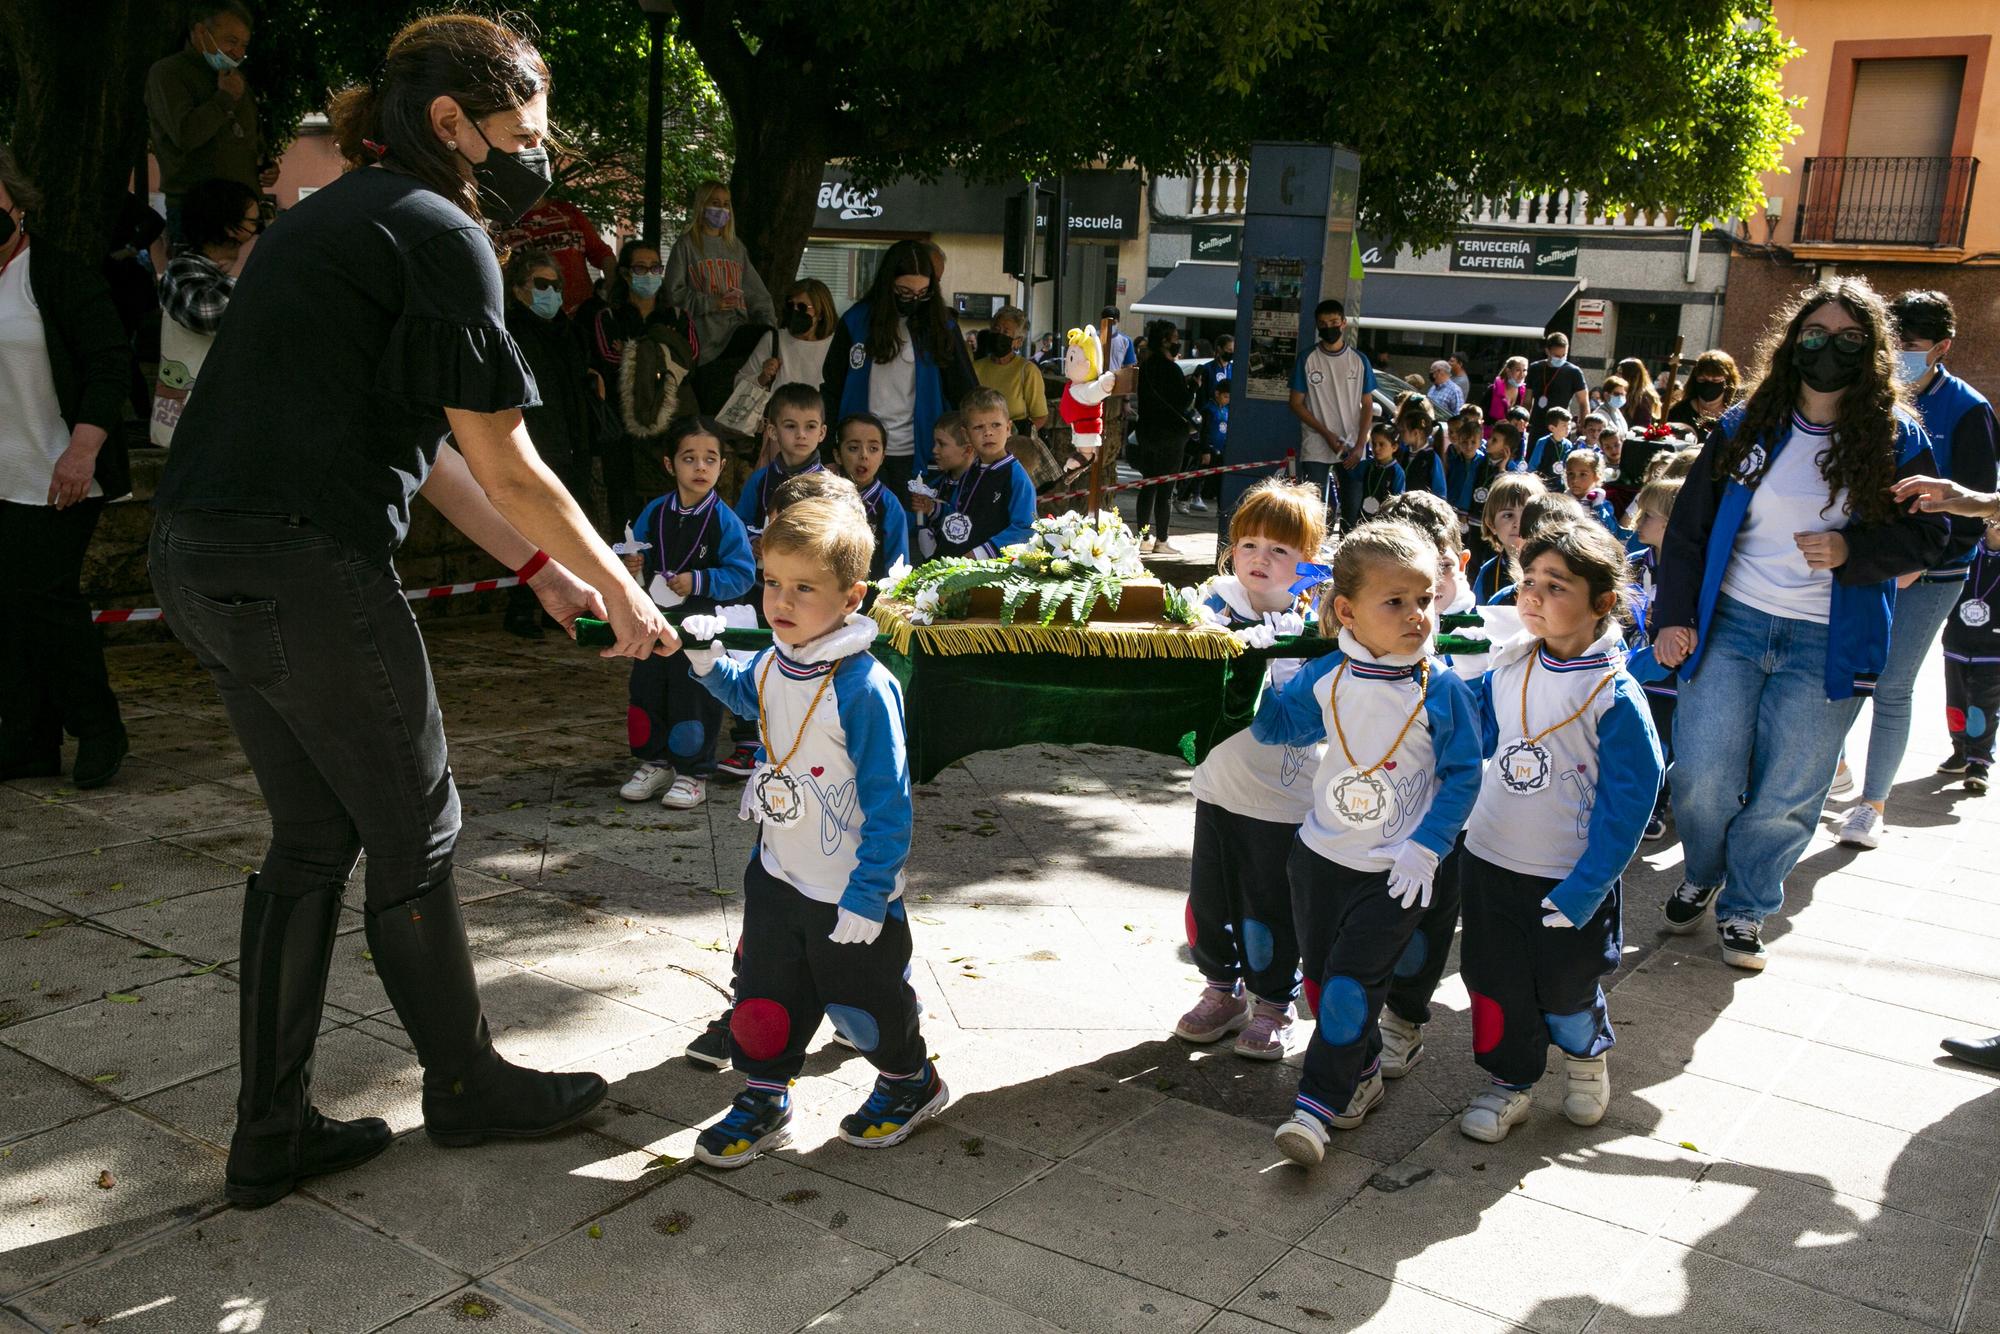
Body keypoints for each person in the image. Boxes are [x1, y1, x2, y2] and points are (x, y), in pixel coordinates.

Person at [146, 14, 677, 1208]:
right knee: (416, 824)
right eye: (524, 130)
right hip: (299, 562)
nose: (536, 153)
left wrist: (543, 574)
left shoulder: (333, 216)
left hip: (198, 554)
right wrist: (628, 587)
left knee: (311, 835)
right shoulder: (442, 230)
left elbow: (429, 447)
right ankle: (466, 1082)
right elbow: (510, 460)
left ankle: (271, 1129)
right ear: (453, 123)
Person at [1651, 278, 1949, 971]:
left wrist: (1854, 553)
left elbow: (1931, 538)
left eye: (1850, 339)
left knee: (1791, 789)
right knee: (1702, 777)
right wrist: (1671, 618)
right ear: (1792, 343)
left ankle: (1747, 906)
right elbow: (1689, 530)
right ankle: (1702, 870)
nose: (1829, 350)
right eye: (1816, 335)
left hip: (1827, 640)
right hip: (1733, 626)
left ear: (1873, 351)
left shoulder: (1897, 440)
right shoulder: (1744, 425)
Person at [681, 495, 947, 1168]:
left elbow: (891, 803)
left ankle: (909, 1082)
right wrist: (712, 666)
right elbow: (756, 695)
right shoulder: (778, 658)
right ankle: (765, 1095)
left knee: (865, 1010)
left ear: (852, 597)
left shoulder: (864, 686)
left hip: (850, 889)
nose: (781, 600)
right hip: (777, 873)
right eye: (772, 581)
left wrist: (869, 892)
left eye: (804, 587)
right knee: (764, 998)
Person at [1252, 521, 1481, 1164]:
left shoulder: (1445, 688)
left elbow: (1467, 774)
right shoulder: (1326, 672)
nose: (1417, 616)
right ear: (1348, 610)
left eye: (1425, 600)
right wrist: (1259, 678)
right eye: (1396, 602)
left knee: (1352, 989)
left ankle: (1314, 1108)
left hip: (1398, 872)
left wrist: (1428, 845)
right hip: (1320, 860)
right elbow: (1276, 731)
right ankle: (1364, 1069)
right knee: (1324, 987)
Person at [1455, 520, 1663, 1141]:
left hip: (1569, 879)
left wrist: (1586, 887)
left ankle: (1584, 1055)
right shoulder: (1509, 665)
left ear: (1602, 602)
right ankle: (1509, 1082)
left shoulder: (1614, 695)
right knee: (1494, 982)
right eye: (1527, 581)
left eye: (1556, 585)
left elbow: (1630, 803)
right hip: (1491, 859)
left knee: (1567, 990)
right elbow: (1474, 738)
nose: (1533, 596)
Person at [1833, 290, 1997, 850]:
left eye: (1912, 345)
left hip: (1933, 575)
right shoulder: (1865, 395)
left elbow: (1976, 510)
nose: (1899, 352)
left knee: (1893, 684)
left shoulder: (1969, 410)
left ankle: (1870, 805)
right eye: (1892, 341)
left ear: (1942, 347)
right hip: (1866, 563)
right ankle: (1832, 772)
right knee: (1843, 673)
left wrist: (1917, 564)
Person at [1177, 480, 1329, 1059]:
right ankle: (1222, 990)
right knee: (1208, 903)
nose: (1260, 559)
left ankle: (1273, 1003)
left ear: (1308, 564)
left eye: (1281, 550)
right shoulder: (1207, 610)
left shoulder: (1319, 626)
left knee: (1269, 906)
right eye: (1249, 544)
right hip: (1218, 788)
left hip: (1285, 799)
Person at [0, 144, 132, 788]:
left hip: (59, 471)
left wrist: (83, 449)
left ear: (18, 209)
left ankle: (99, 725)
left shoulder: (59, 275)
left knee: (44, 599)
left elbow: (109, 361)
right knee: (11, 610)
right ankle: (27, 743)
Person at [619, 417, 754, 811]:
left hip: (700, 628)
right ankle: (655, 762)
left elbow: (742, 575)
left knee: (693, 694)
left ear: (722, 467)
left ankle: (693, 773)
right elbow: (638, 550)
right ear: (669, 464)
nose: (700, 468)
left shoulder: (724, 520)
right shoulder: (656, 511)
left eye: (710, 459)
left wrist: (698, 581)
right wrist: (633, 564)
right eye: (689, 458)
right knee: (647, 688)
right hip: (655, 621)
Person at [822, 239, 976, 504]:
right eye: (904, 292)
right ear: (887, 285)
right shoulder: (856, 322)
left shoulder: (942, 327)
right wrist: (828, 452)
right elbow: (832, 388)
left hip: (922, 452)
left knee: (916, 536)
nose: (913, 300)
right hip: (861, 450)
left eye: (922, 293)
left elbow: (965, 390)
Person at [500, 247, 600, 636]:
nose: (551, 293)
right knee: (528, 529)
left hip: (571, 442)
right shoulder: (512, 331)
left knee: (568, 527)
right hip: (535, 440)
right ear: (520, 289)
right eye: (541, 285)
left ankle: (563, 605)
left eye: (556, 285)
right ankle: (521, 609)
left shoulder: (567, 330)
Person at [578, 238, 699, 528]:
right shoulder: (607, 316)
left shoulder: (678, 316)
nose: (649, 274)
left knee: (675, 497)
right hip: (623, 427)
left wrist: (634, 352)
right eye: (640, 268)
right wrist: (658, 352)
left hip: (672, 420)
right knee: (624, 503)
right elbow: (609, 357)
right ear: (625, 273)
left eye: (655, 267)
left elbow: (689, 359)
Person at [144, 1, 278, 243]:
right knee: (197, 279)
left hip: (242, 211)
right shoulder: (168, 73)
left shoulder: (236, 80)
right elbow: (186, 135)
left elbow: (250, 140)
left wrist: (266, 166)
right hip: (197, 211)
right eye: (231, 41)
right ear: (201, 32)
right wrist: (224, 99)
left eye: (243, 45)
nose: (238, 53)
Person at [152, 177, 260, 448]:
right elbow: (208, 315)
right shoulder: (183, 270)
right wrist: (241, 270)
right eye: (253, 223)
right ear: (228, 226)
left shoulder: (254, 271)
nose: (260, 231)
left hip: (236, 418)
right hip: (194, 424)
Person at [1626, 476, 1685, 841]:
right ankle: (1639, 801)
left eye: (1648, 514)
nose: (1638, 521)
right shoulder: (1633, 563)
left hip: (1674, 674)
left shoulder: (1690, 569)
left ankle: (1657, 804)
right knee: (1637, 737)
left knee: (1664, 742)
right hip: (1637, 665)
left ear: (1670, 522)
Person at [666, 179, 774, 370]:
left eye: (726, 204)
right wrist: (711, 302)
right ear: (702, 205)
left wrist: (769, 326)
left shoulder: (736, 248)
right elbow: (673, 294)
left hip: (735, 330)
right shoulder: (686, 246)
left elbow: (757, 294)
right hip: (703, 340)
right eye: (715, 203)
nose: (722, 209)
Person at [1289, 299, 1375, 515]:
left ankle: (1349, 550)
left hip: (1352, 445)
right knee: (1312, 509)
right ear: (1317, 326)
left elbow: (1367, 405)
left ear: (1344, 323)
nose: (1329, 328)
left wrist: (1360, 445)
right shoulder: (1307, 359)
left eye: (1334, 322)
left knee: (1352, 509)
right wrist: (1326, 433)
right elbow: (1296, 403)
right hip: (1316, 443)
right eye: (1323, 323)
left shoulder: (1359, 360)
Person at [935, 388, 1036, 559]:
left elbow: (1026, 529)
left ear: (1008, 428)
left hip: (991, 573)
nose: (988, 432)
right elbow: (958, 514)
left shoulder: (1016, 478)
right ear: (966, 435)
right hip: (956, 565)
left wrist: (980, 553)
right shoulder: (970, 471)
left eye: (996, 425)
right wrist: (934, 510)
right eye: (978, 427)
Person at [1942, 523, 2000, 793]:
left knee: (1982, 707)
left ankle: (1978, 761)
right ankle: (1959, 750)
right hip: (1957, 640)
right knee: (1955, 703)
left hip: (1994, 650)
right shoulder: (1967, 547)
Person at [492, 196, 616, 315]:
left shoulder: (569, 213)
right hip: (528, 318)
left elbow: (603, 254)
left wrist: (612, 293)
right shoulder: (499, 226)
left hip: (581, 315)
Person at [1134, 320, 1193, 553]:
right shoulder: (1172, 370)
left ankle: (1142, 537)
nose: (1178, 342)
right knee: (1166, 489)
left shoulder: (1146, 367)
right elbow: (1183, 402)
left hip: (1147, 432)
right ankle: (1162, 540)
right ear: (1166, 341)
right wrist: (1194, 387)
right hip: (1171, 435)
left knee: (1148, 484)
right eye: (1176, 338)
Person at [834, 412, 909, 583]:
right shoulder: (825, 496)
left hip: (872, 602)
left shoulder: (889, 505)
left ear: (883, 457)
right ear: (837, 455)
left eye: (873, 449)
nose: (864, 455)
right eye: (853, 448)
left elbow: (898, 564)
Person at [971, 304, 1047, 435]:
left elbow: (1040, 416)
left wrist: (1016, 436)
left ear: (1018, 342)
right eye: (996, 329)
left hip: (1015, 441)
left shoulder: (1028, 371)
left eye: (1006, 332)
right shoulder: (975, 367)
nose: (999, 335)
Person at [908, 411, 974, 562]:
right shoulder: (936, 485)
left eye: (942, 444)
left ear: (967, 449)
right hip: (932, 565)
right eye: (935, 443)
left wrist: (933, 509)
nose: (934, 450)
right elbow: (918, 524)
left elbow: (964, 525)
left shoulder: (976, 486)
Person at [1472, 473, 1545, 606]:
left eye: (1527, 514)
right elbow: (1478, 615)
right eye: (1508, 515)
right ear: (1491, 524)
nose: (1518, 523)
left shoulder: (1551, 566)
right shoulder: (1488, 571)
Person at [1526, 333, 1589, 440]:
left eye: (1563, 355)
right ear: (1547, 351)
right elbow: (1527, 400)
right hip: (1537, 425)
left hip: (1561, 427)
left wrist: (1583, 426)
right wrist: (1524, 420)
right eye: (1556, 356)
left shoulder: (1574, 372)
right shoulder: (1535, 368)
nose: (1560, 359)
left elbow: (1583, 402)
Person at [1665, 350, 1740, 430]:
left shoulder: (1738, 413)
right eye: (1702, 379)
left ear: (1728, 381)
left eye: (1715, 380)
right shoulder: (1679, 412)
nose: (1708, 385)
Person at [1562, 448, 1623, 537]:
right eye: (1570, 474)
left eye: (1583, 474)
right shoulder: (1561, 502)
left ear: (1597, 476)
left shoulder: (1602, 504)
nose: (1575, 480)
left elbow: (1612, 530)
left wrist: (1598, 507)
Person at [1396, 396, 1446, 498]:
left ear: (1415, 433)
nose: (1400, 433)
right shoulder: (1404, 454)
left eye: (1403, 431)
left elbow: (1440, 491)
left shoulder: (1431, 458)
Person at [1524, 407, 1573, 486]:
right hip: (1543, 483)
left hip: (1560, 485)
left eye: (1569, 424)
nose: (1568, 428)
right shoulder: (1543, 442)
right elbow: (1533, 465)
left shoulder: (1569, 444)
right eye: (1564, 425)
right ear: (1552, 428)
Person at [1486, 356, 1529, 435]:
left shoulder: (1525, 393)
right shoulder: (1492, 390)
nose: (1522, 375)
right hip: (1491, 436)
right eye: (1518, 370)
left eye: (1524, 370)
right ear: (1508, 371)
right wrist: (1496, 423)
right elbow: (1482, 416)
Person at [1615, 357, 1662, 429]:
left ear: (1630, 375)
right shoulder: (1624, 392)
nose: (1616, 376)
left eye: (1620, 373)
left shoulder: (1644, 397)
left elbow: (1643, 425)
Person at [1598, 374, 1631, 439]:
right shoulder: (1600, 414)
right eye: (1617, 394)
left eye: (1622, 394)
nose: (1620, 397)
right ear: (1606, 395)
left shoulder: (1616, 411)